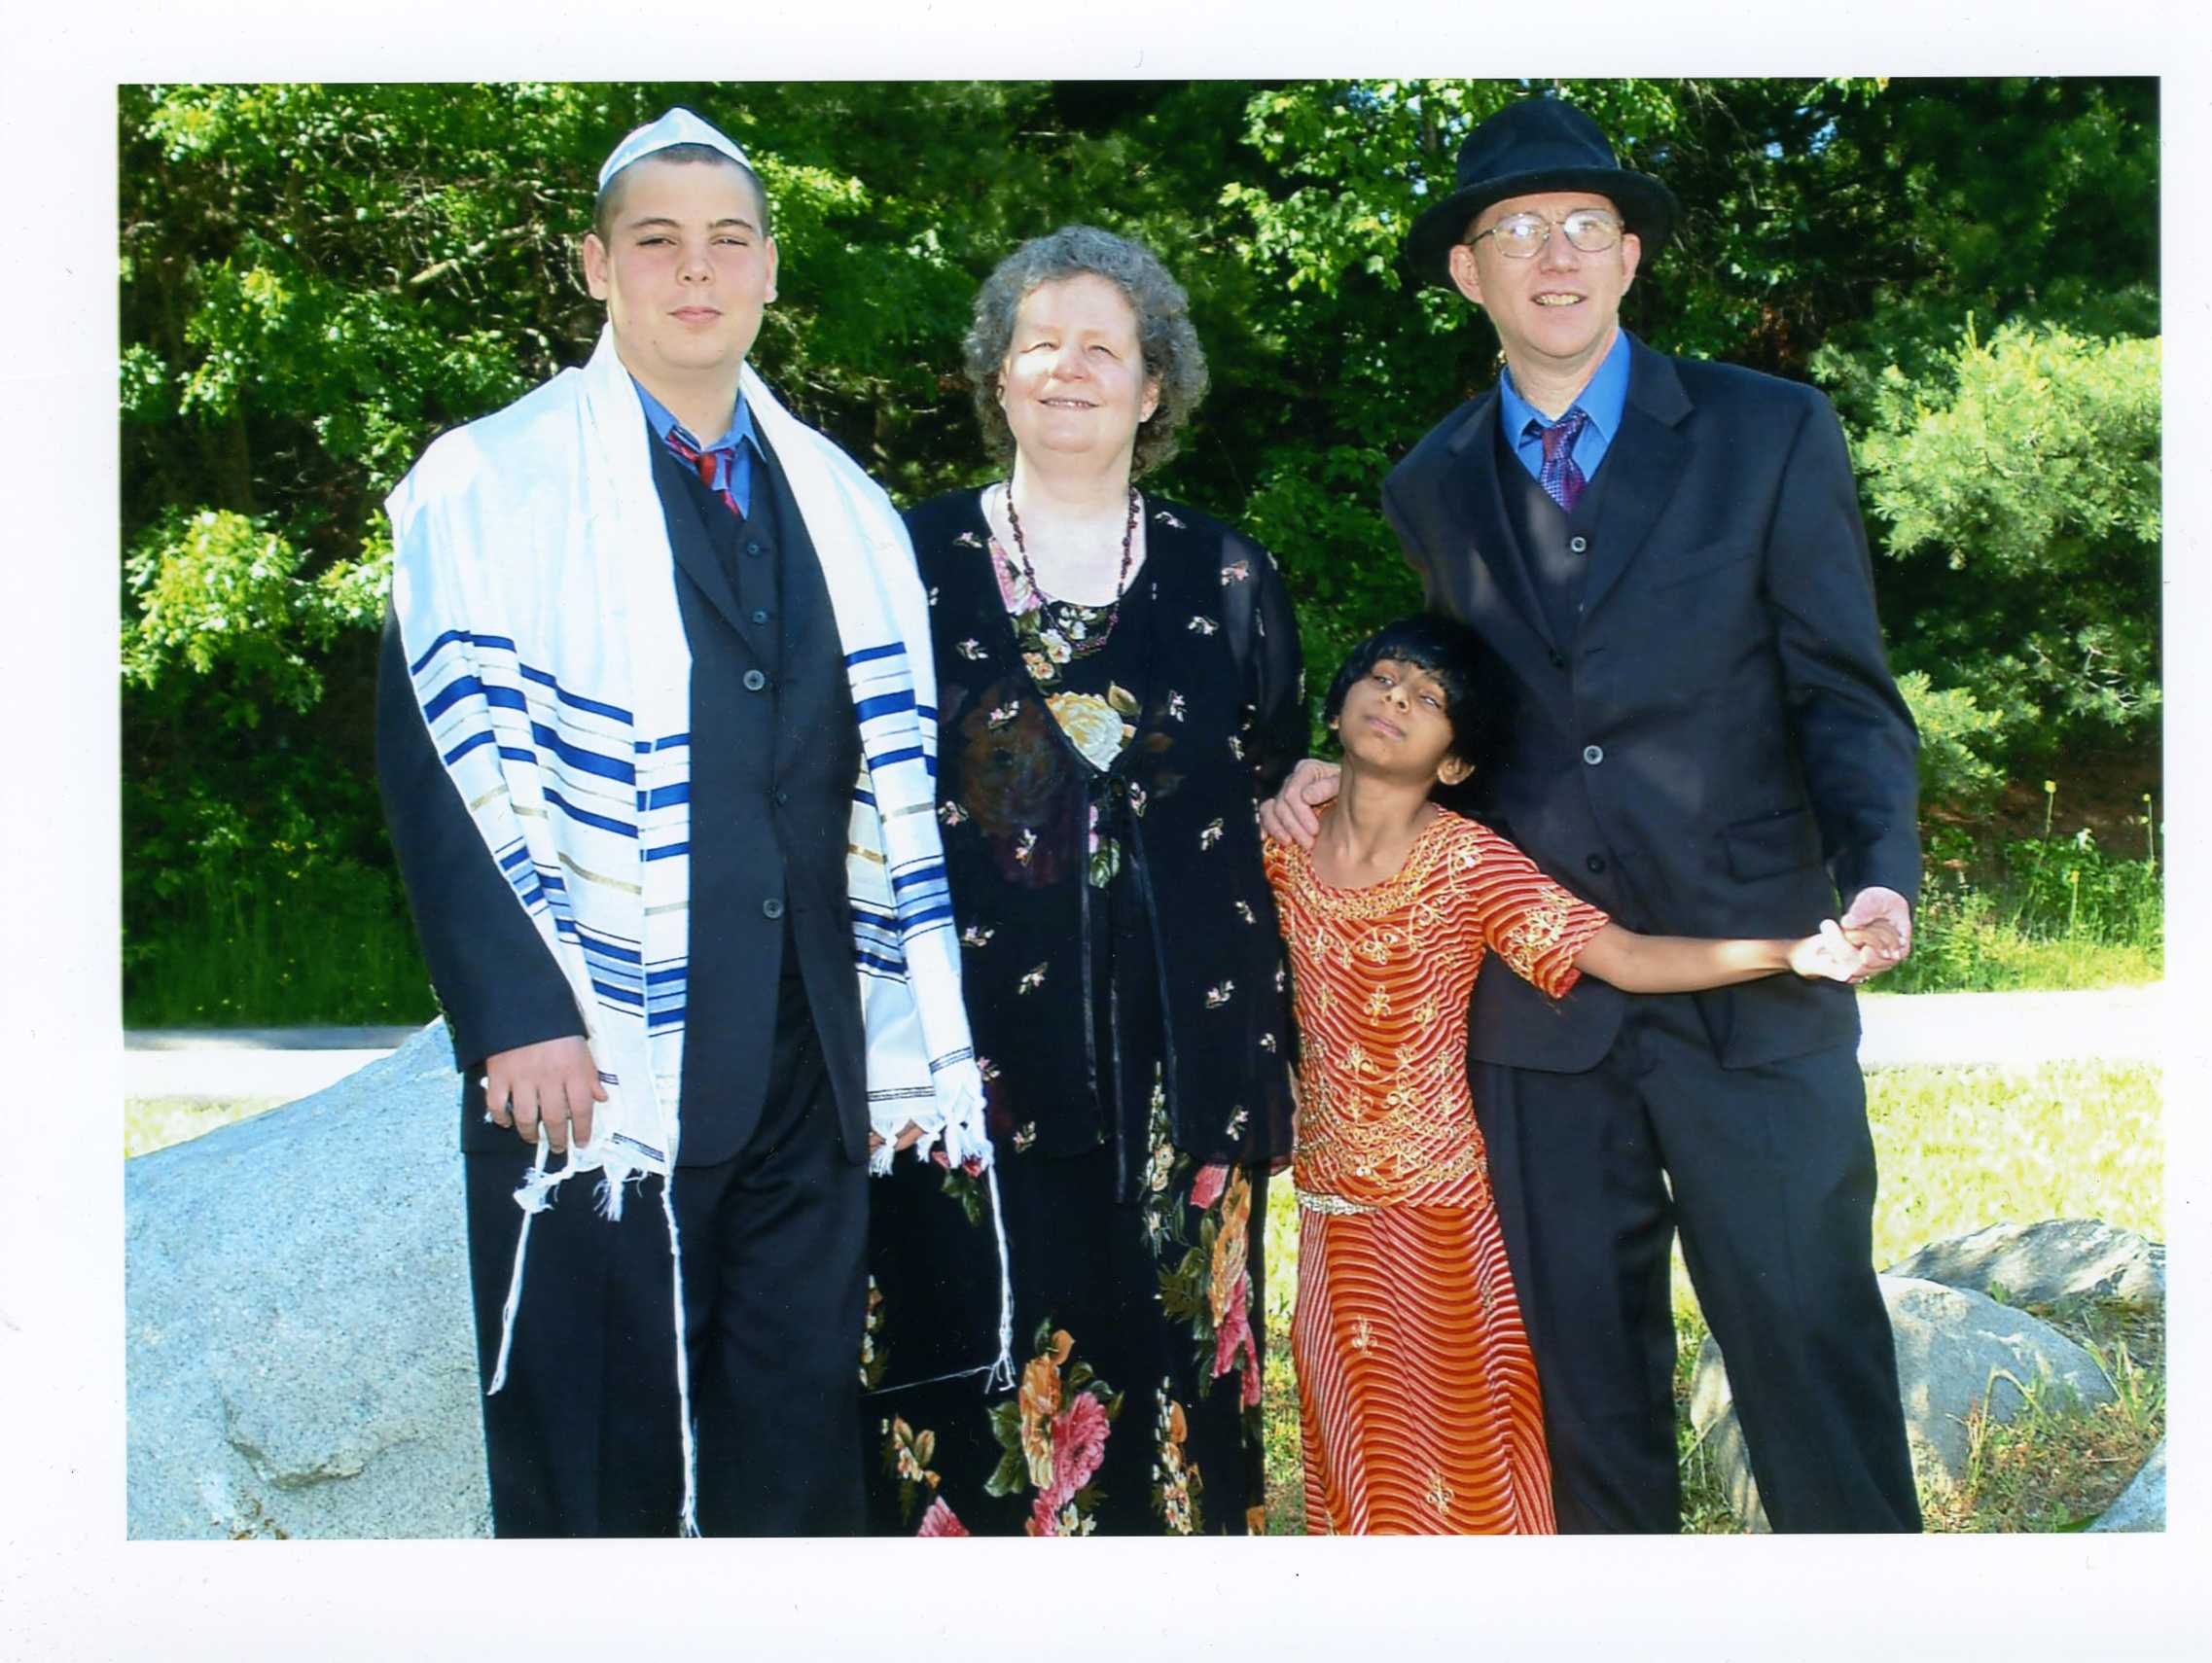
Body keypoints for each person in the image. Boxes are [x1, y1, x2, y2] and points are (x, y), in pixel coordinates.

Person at [1263, 95, 1925, 1533]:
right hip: (1536, 1010)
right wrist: (1345, 774)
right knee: (1581, 1404)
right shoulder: (1428, 483)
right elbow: (1461, 714)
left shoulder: (1768, 432)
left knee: (1807, 1352)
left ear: (1626, 257)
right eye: (1514, 231)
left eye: (1580, 227)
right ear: (1468, 274)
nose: (1549, 256)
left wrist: (1878, 876)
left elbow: (1844, 693)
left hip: (1757, 983)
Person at [375, 107, 987, 1538]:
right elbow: (437, 762)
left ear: (770, 270)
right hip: (593, 1054)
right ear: (597, 264)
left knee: (792, 1449)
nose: (693, 272)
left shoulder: (843, 504)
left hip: (807, 1059)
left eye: (727, 242)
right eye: (656, 241)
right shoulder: (491, 483)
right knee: (593, 1456)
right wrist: (518, 1014)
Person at [861, 227, 1301, 1538]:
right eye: (1037, 342)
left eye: (1102, 347)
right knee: (961, 1392)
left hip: (1184, 1076)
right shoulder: (901, 563)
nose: (1068, 369)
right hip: (958, 1068)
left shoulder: (1227, 576)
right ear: (996, 376)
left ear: (1153, 387)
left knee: (1173, 1407)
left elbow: (1264, 774)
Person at [1266, 615, 1875, 1536]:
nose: (1395, 697)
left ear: (1459, 763)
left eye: (1429, 698)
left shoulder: (1467, 863)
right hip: (1327, 1212)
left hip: (1440, 1212)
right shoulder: (1278, 842)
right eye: (1383, 676)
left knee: (1462, 1458)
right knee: (1354, 1454)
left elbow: (1625, 957)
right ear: (1339, 702)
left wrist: (1794, 955)